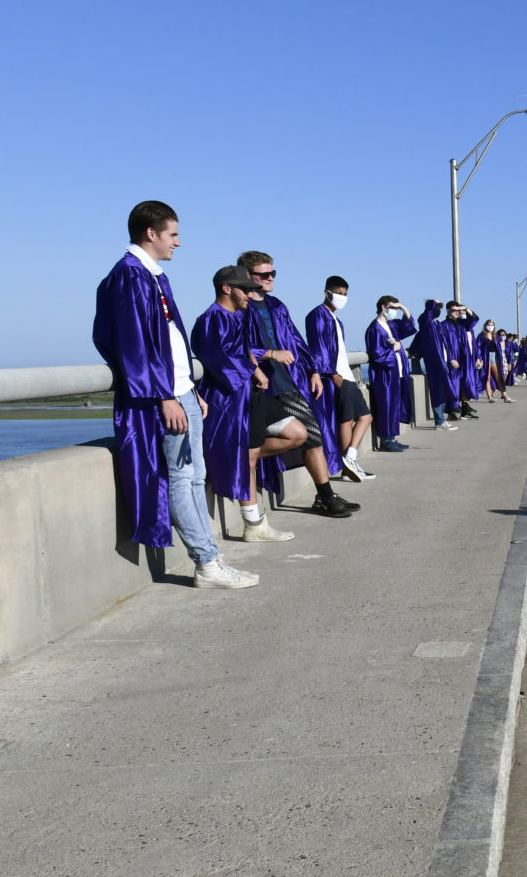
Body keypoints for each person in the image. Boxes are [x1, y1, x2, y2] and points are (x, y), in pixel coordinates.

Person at [90, 202, 254, 590]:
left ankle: (210, 558)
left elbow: (168, 340)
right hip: (163, 396)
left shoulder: (152, 275)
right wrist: (163, 395)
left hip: (182, 390)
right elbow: (134, 345)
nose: (178, 243)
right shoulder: (129, 276)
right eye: (173, 234)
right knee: (181, 479)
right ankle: (206, 563)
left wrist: (190, 389)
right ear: (151, 233)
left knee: (195, 477)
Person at [236, 251, 354, 519]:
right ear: (247, 276)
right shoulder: (242, 307)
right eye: (263, 274)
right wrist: (269, 354)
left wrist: (312, 370)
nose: (269, 278)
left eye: (272, 273)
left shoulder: (276, 305)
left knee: (313, 434)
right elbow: (234, 346)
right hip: (264, 385)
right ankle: (324, 496)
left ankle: (325, 495)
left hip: (290, 381)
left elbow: (295, 340)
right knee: (311, 434)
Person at [192, 267, 293, 541]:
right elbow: (222, 361)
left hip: (248, 397)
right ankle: (254, 524)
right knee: (246, 455)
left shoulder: (235, 317)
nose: (251, 294)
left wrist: (260, 361)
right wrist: (253, 369)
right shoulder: (212, 320)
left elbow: (244, 352)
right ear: (227, 288)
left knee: (296, 433)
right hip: (228, 402)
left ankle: (245, 470)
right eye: (245, 289)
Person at [305, 275, 375, 482]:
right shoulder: (317, 315)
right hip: (337, 376)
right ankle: (348, 467)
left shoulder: (336, 319)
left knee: (363, 416)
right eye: (338, 294)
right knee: (347, 419)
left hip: (346, 374)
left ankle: (349, 460)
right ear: (327, 292)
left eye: (345, 294)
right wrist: (331, 374)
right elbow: (318, 347)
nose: (342, 298)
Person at [366, 296, 414, 452]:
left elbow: (409, 326)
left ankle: (392, 437)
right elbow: (377, 354)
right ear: (383, 307)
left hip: (397, 373)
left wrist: (403, 307)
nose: (395, 311)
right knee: (386, 405)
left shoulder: (391, 326)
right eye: (392, 308)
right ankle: (385, 440)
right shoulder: (374, 328)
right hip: (384, 375)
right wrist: (393, 349)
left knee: (395, 405)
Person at [412, 299, 456, 430]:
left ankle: (441, 419)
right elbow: (425, 316)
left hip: (443, 361)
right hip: (434, 362)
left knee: (443, 391)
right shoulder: (427, 323)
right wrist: (431, 304)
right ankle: (439, 421)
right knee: (437, 391)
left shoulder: (437, 324)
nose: (439, 309)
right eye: (437, 306)